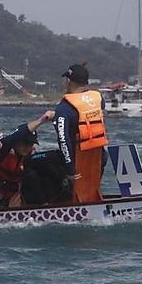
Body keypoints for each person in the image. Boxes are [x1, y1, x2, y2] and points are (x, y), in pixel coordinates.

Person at [0, 112, 55, 207]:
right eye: (25, 144)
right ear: (16, 143)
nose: (27, 147)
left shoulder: (31, 155)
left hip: (14, 193)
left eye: (30, 144)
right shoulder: (3, 150)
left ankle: (45, 205)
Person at [54, 63, 108, 203]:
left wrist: (70, 169)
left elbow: (63, 139)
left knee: (42, 164)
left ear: (68, 81)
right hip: (99, 157)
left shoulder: (63, 108)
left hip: (77, 161)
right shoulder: (99, 98)